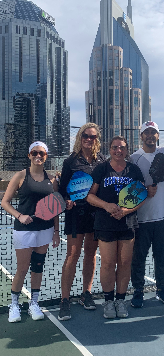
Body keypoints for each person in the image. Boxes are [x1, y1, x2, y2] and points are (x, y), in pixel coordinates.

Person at [1, 141, 60, 323]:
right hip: (24, 230)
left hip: (45, 229)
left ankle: (34, 303)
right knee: (22, 268)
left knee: (38, 267)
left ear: (46, 156)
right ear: (29, 155)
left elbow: (55, 207)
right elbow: (5, 202)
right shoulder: (20, 176)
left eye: (41, 153)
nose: (38, 156)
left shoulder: (51, 180)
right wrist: (20, 216)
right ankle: (14, 304)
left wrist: (56, 231)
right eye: (34, 152)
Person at [87, 136, 144, 319]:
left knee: (125, 263)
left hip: (127, 223)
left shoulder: (133, 170)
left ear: (127, 150)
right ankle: (108, 301)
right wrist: (106, 206)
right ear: (109, 149)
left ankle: (120, 300)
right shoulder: (101, 169)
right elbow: (89, 196)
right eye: (115, 147)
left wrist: (127, 211)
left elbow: (141, 195)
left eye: (122, 147)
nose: (118, 150)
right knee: (109, 263)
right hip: (105, 223)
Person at [58, 123, 106, 321]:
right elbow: (62, 190)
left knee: (91, 254)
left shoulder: (102, 161)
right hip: (75, 215)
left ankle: (86, 293)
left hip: (95, 215)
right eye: (85, 135)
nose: (88, 139)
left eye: (92, 136)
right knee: (72, 254)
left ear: (97, 140)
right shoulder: (70, 161)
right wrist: (66, 200)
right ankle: (65, 300)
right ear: (80, 137)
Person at [130, 121, 164, 307]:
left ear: (158, 135)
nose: (150, 135)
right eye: (146, 132)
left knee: (162, 256)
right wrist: (143, 189)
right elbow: (128, 185)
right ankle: (138, 292)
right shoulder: (133, 158)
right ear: (141, 136)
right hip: (141, 218)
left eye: (153, 132)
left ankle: (162, 290)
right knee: (138, 257)